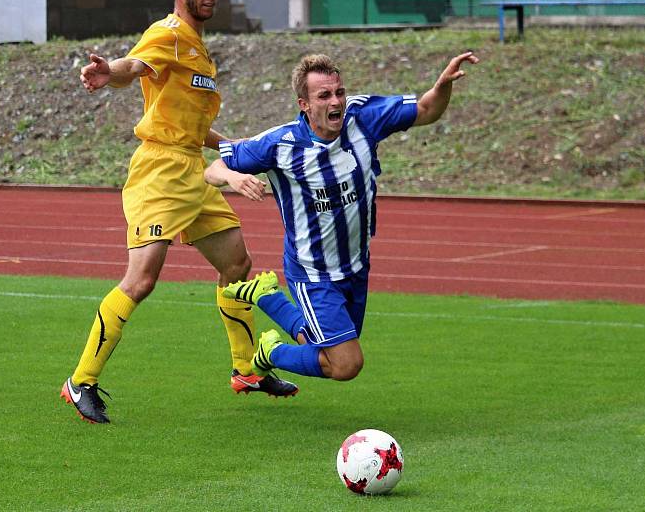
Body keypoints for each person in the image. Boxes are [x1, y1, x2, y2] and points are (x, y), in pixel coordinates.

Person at [61, 0, 297, 424]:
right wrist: (111, 73)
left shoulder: (198, 48)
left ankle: (246, 370)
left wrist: (235, 148)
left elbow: (188, 122)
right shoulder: (168, 34)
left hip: (191, 164)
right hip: (161, 173)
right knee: (142, 279)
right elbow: (133, 67)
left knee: (237, 264)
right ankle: (80, 380)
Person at [204, 51, 478, 382]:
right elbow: (214, 168)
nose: (336, 101)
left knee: (327, 344)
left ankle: (266, 297)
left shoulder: (363, 118)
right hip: (312, 271)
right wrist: (233, 178)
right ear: (304, 104)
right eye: (324, 95)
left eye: (339, 92)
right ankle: (269, 354)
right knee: (345, 364)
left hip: (356, 266)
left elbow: (426, 109)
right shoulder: (281, 144)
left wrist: (442, 85)